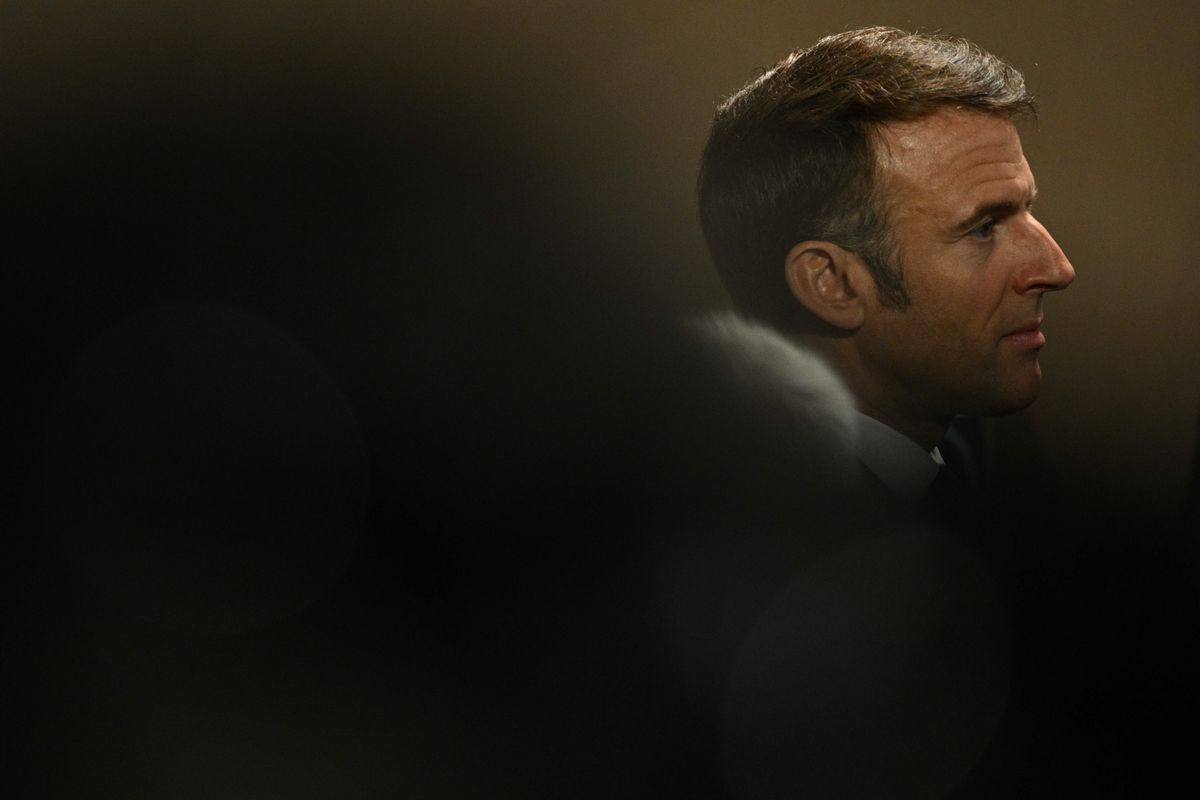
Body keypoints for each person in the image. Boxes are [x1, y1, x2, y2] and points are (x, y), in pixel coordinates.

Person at [697, 26, 1075, 501]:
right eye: (983, 228)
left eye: (1028, 209)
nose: (1057, 268)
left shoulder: (989, 444)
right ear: (833, 283)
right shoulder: (764, 540)